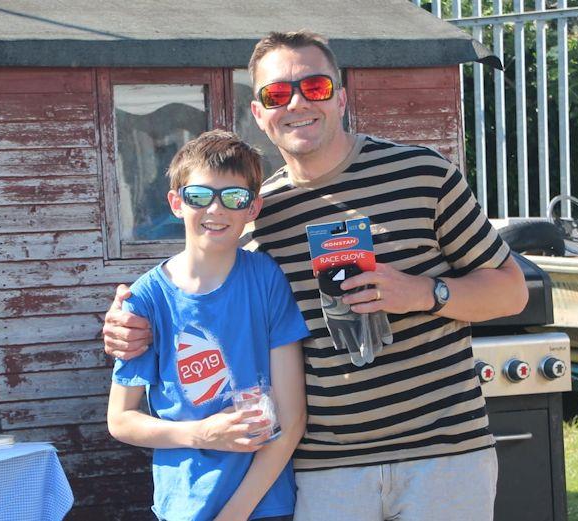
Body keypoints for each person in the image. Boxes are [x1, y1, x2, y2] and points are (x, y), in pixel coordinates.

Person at [104, 31, 528, 521]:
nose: (298, 102)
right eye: (277, 94)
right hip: (326, 471)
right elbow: (205, 292)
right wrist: (129, 325)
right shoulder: (256, 215)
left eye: (316, 87)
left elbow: (511, 291)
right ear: (260, 113)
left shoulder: (423, 174)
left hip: (445, 454)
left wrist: (421, 292)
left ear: (341, 97)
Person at [107, 129, 310, 521]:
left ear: (252, 208)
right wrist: (200, 434)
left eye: (233, 198)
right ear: (176, 203)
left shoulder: (266, 280)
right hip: (183, 505)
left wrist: (234, 513)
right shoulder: (145, 298)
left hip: (263, 504)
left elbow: (292, 417)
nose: (216, 210)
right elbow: (120, 419)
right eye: (200, 196)